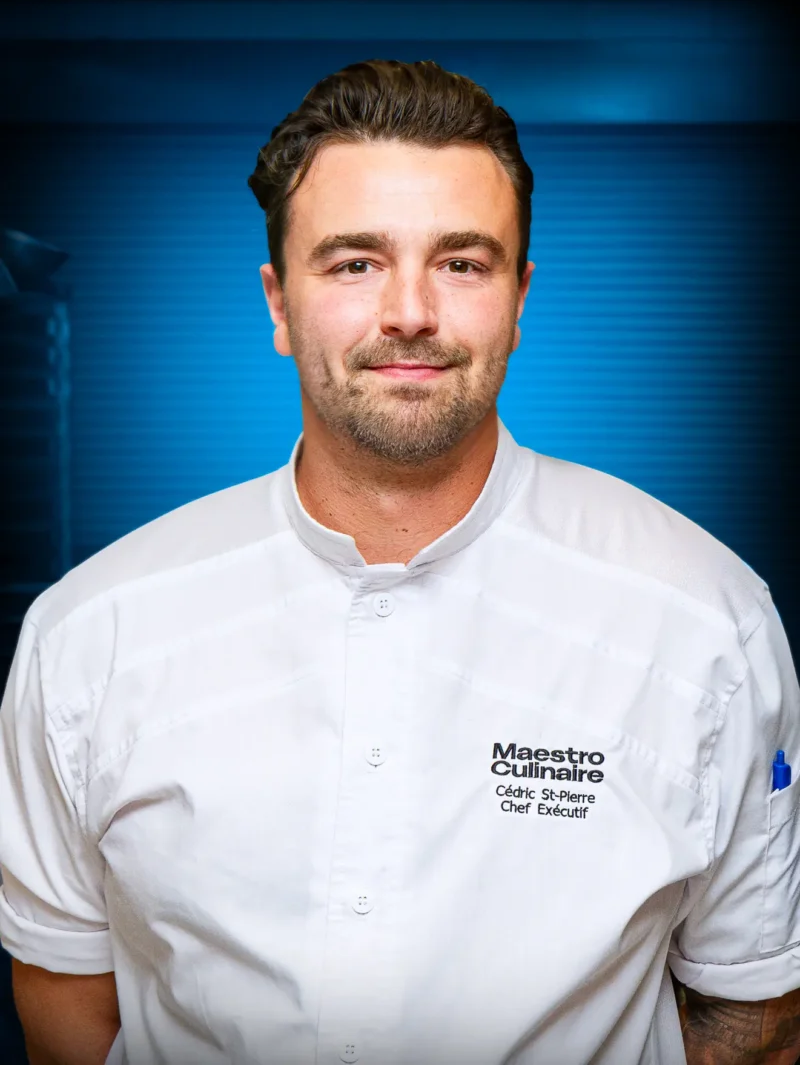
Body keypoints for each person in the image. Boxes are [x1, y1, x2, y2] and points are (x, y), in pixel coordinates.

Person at [0, 59, 798, 1065]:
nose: (410, 311)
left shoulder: (702, 619)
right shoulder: (92, 633)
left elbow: (751, 1018)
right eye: (353, 263)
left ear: (519, 298)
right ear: (278, 304)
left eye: (461, 262)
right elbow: (68, 1006)